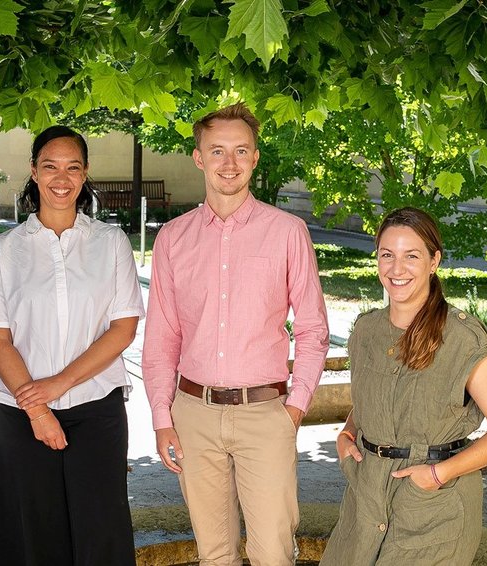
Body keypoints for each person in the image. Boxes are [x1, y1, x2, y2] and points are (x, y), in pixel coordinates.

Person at [142, 103, 330, 565]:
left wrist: (293, 409)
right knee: (214, 554)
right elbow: (162, 337)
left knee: (272, 553)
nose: (230, 162)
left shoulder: (288, 232)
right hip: (193, 415)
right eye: (218, 150)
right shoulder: (173, 238)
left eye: (240, 150)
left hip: (266, 414)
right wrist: (162, 416)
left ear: (255, 158)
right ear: (198, 157)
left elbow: (313, 329)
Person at [0, 125, 144, 566]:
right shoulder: (5, 249)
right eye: (50, 166)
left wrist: (57, 386)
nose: (61, 177)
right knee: (29, 535)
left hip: (97, 410)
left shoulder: (110, 243)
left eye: (72, 167)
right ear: (33, 172)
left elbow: (123, 329)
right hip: (19, 411)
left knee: (99, 534)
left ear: (85, 174)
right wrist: (38, 408)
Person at [320, 207, 487, 565]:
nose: (396, 269)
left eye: (411, 256)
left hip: (432, 508)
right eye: (387, 255)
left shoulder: (463, 338)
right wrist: (347, 432)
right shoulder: (365, 331)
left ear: (434, 261)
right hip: (366, 499)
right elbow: (374, 397)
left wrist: (436, 474)